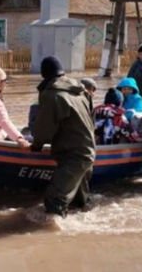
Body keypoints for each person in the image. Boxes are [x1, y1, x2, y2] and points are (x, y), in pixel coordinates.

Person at [30, 56, 96, 217]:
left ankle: (52, 236)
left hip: (73, 155)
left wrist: (36, 144)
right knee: (80, 202)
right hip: (88, 150)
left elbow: (44, 127)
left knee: (54, 199)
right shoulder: (80, 91)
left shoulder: (53, 95)